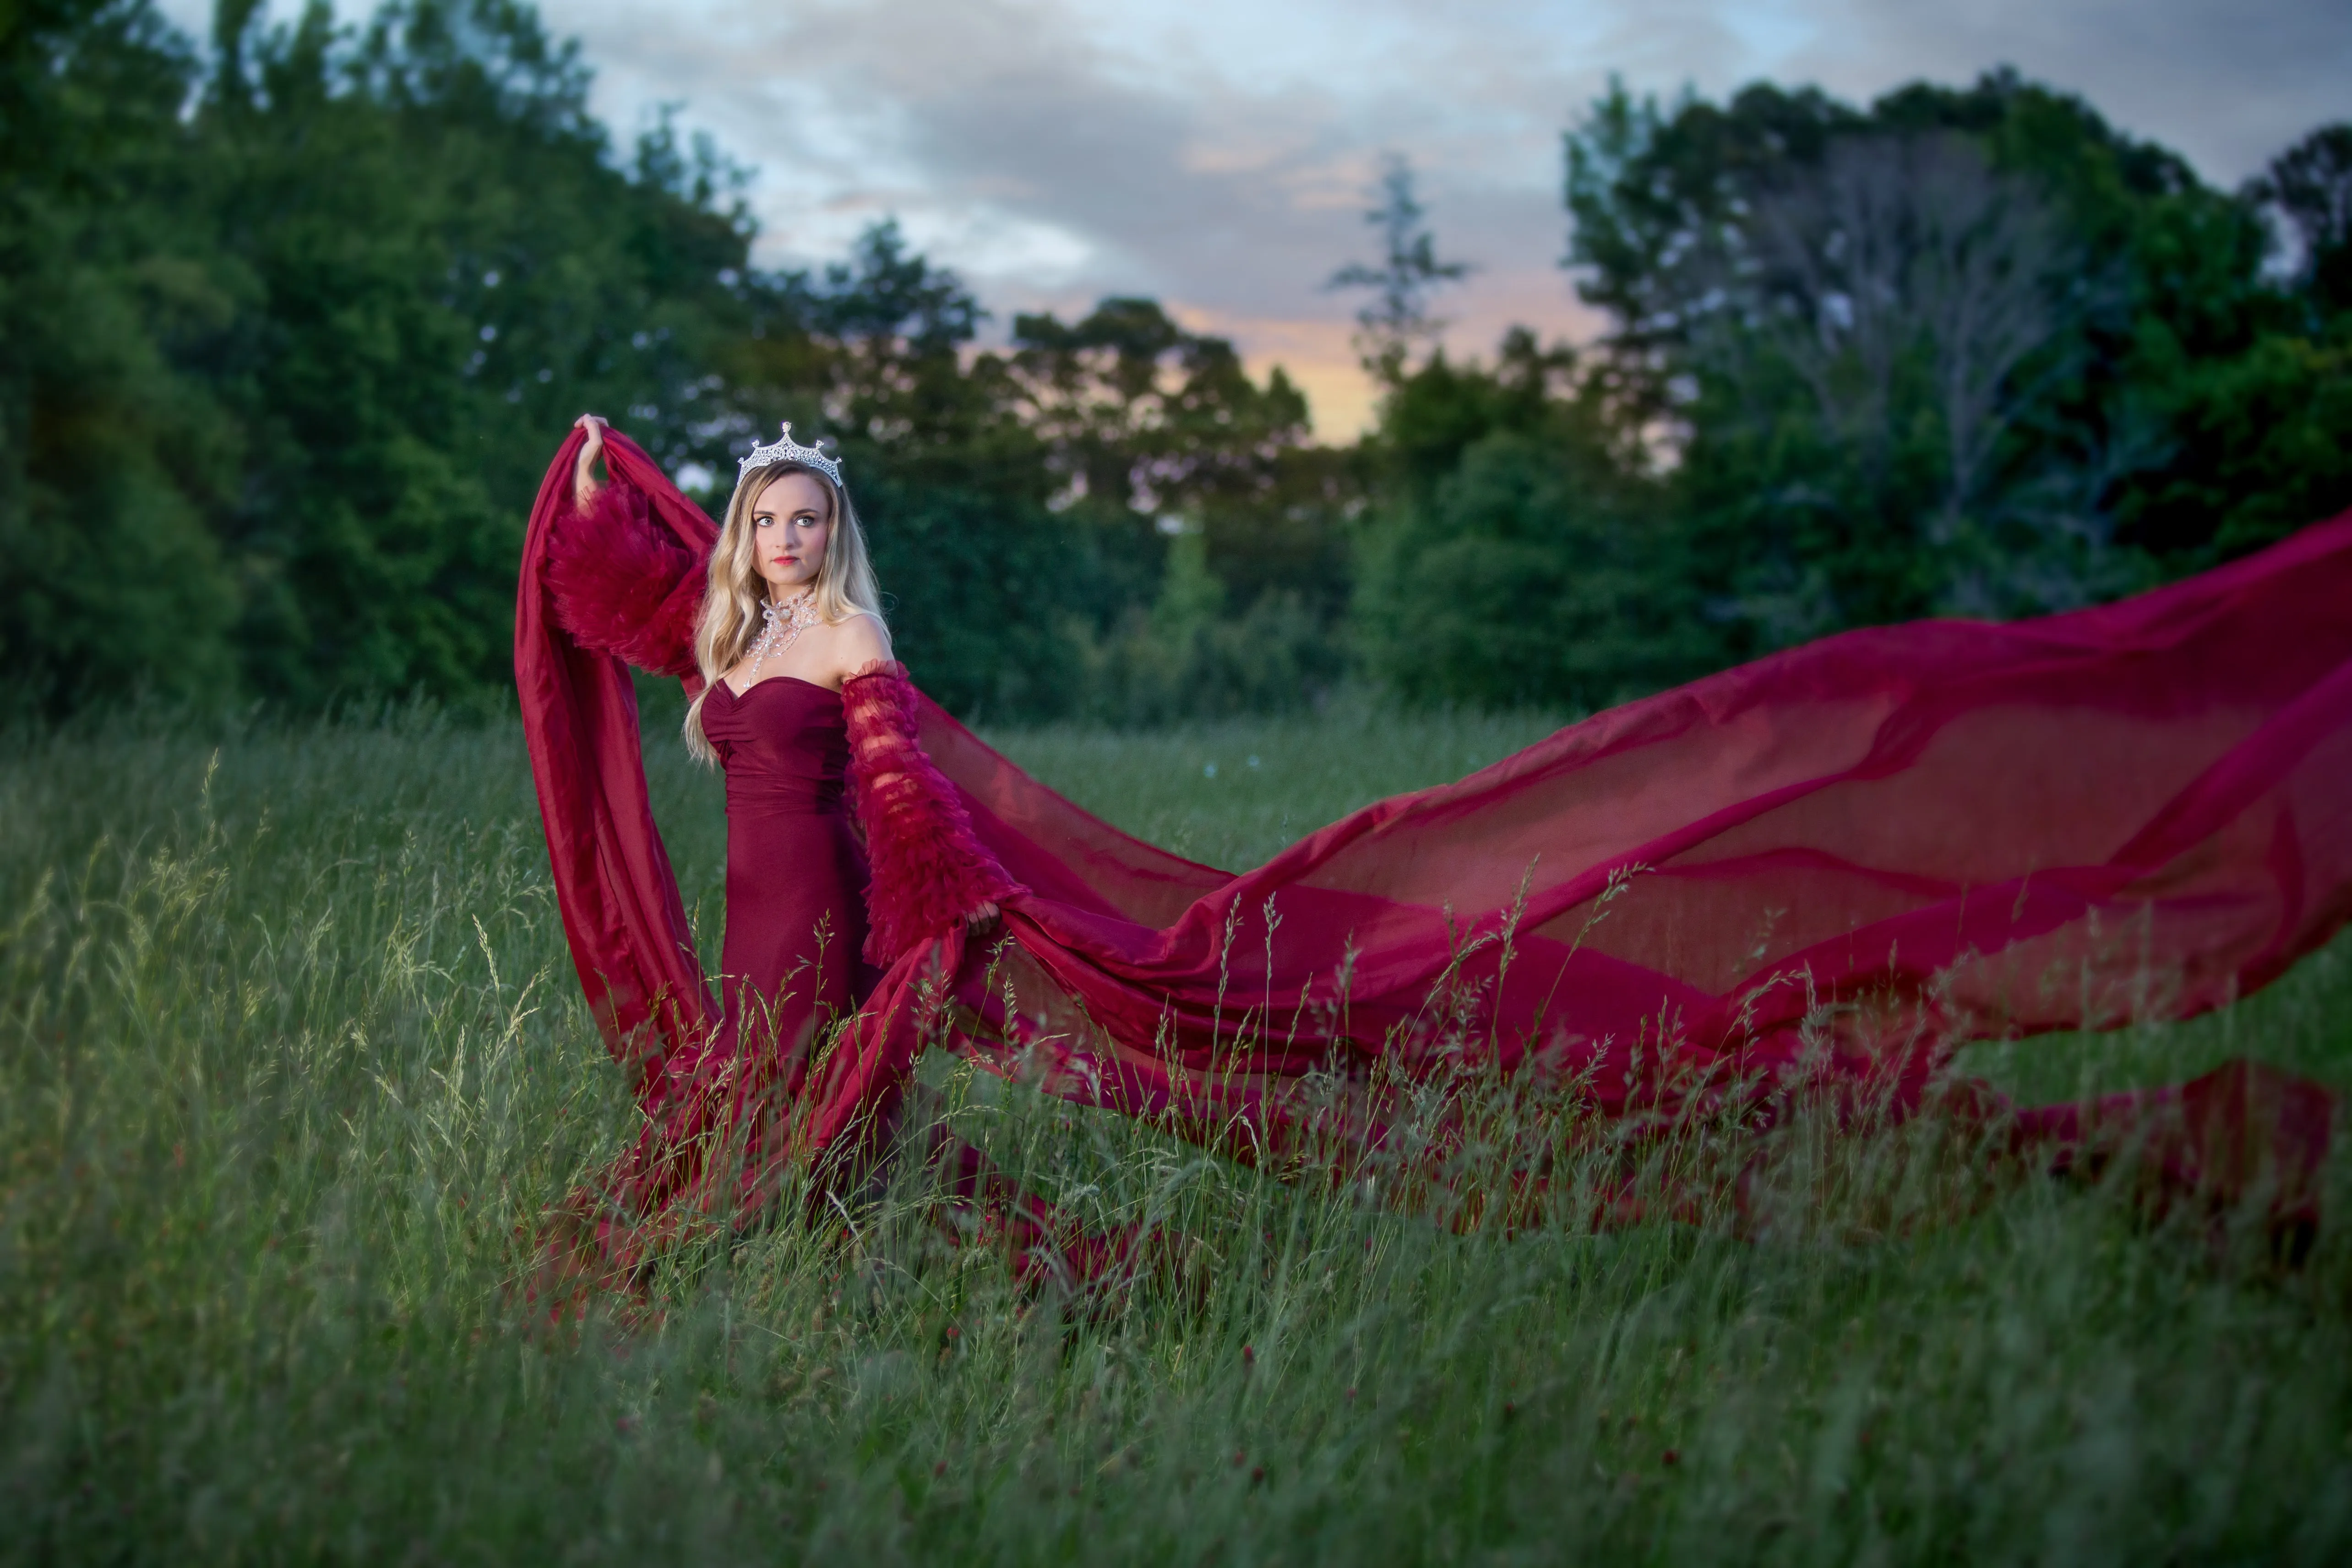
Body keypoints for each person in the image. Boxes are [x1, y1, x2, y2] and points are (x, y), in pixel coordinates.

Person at [520, 418, 2351, 1280]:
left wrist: (943, 932)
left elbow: (904, 794)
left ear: (837, 539)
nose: (779, 539)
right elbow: (626, 601)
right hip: (770, 903)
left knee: (797, 1096)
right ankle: (831, 1281)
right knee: (788, 1121)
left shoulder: (850, 646)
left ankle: (812, 1278)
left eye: (804, 517)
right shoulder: (731, 638)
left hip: (835, 922)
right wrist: (595, 469)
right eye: (763, 517)